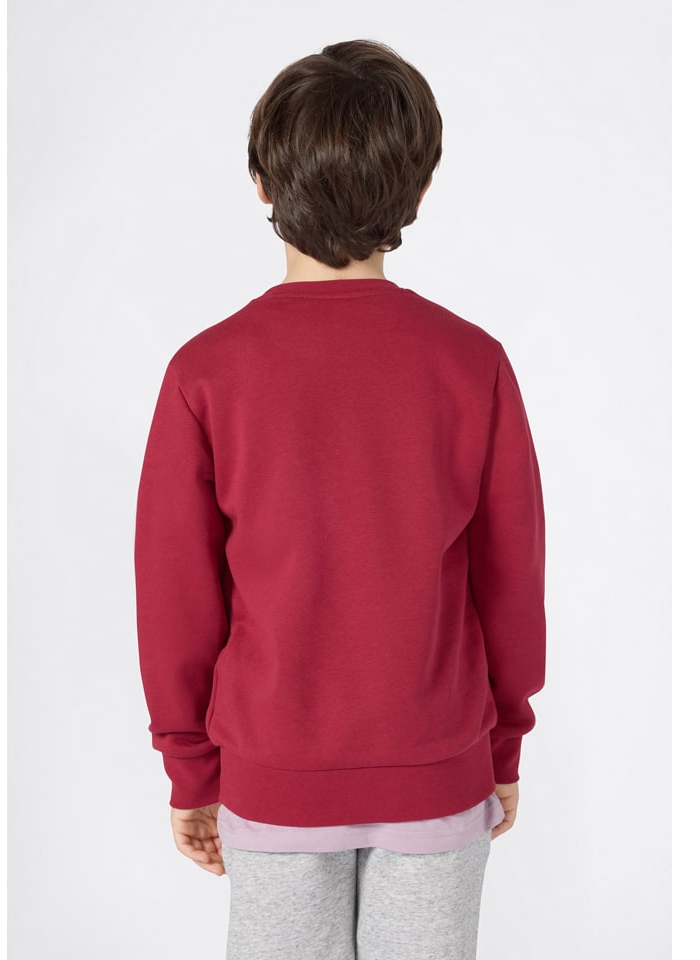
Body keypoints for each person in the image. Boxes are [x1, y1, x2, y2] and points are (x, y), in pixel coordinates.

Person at [134, 38, 546, 960]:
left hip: (273, 774)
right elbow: (512, 582)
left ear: (260, 181)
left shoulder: (206, 373)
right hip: (438, 771)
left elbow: (175, 598)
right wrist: (503, 746)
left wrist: (191, 769)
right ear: (420, 190)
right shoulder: (471, 364)